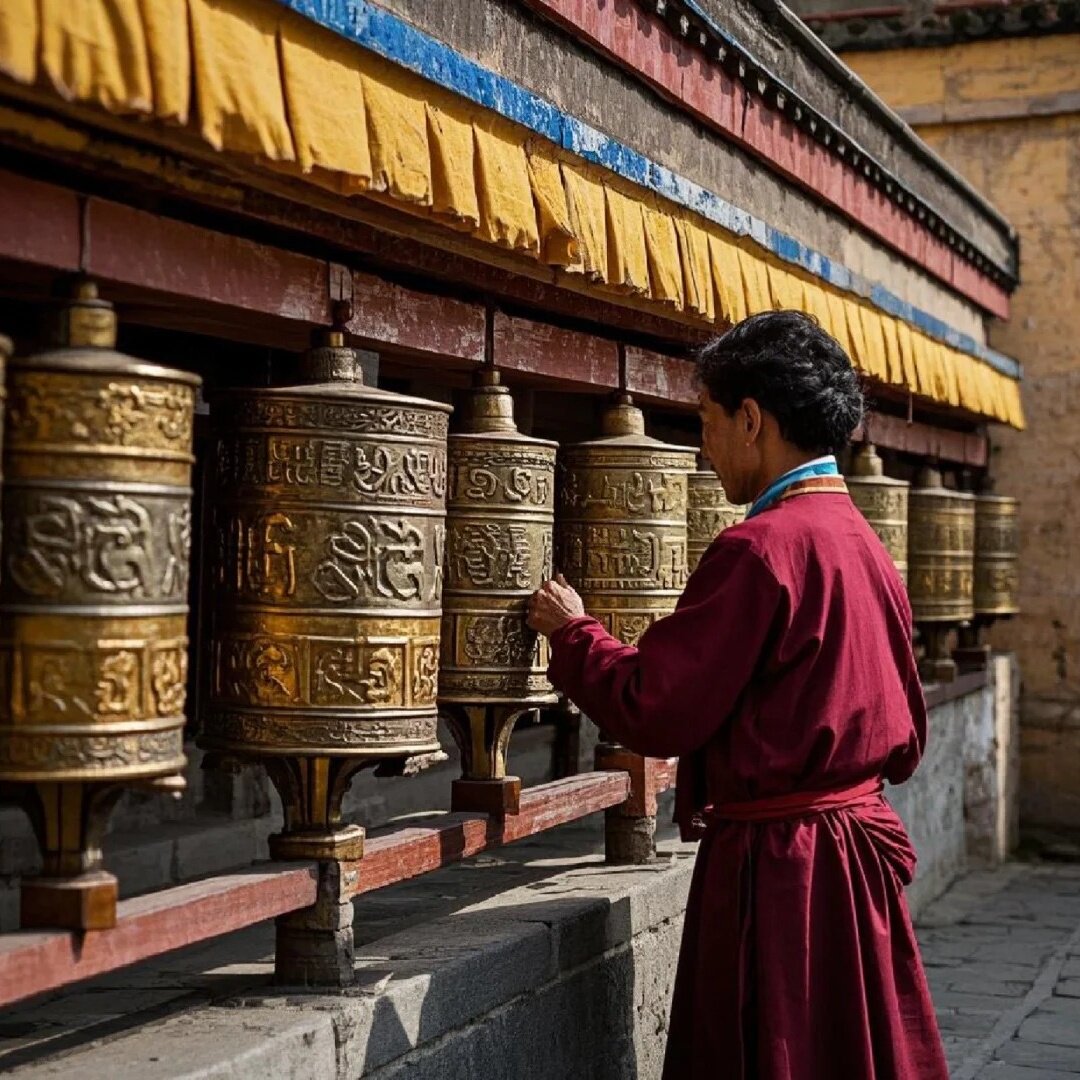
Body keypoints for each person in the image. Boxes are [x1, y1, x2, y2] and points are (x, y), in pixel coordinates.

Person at [527, 311, 948, 1080]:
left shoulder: (759, 550)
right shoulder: (866, 545)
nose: (704, 447)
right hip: (854, 862)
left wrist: (574, 633)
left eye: (708, 422)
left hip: (780, 870)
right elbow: (908, 732)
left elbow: (658, 706)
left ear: (751, 419)